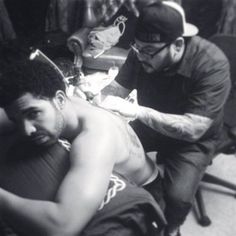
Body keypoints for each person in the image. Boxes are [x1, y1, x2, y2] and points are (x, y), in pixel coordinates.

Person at [98, 1, 231, 236]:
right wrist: (97, 98)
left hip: (192, 140)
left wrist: (139, 112)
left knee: (177, 198)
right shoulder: (141, 53)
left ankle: (170, 229)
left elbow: (193, 129)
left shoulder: (212, 63)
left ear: (177, 44)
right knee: (105, 148)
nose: (141, 57)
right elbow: (116, 89)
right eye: (137, 49)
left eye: (149, 51)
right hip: (151, 125)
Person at [0, 59, 166, 236]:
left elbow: (61, 226)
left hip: (147, 191)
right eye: (16, 120)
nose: (26, 130)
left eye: (33, 114)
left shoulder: (96, 138)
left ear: (60, 99)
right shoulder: (55, 102)